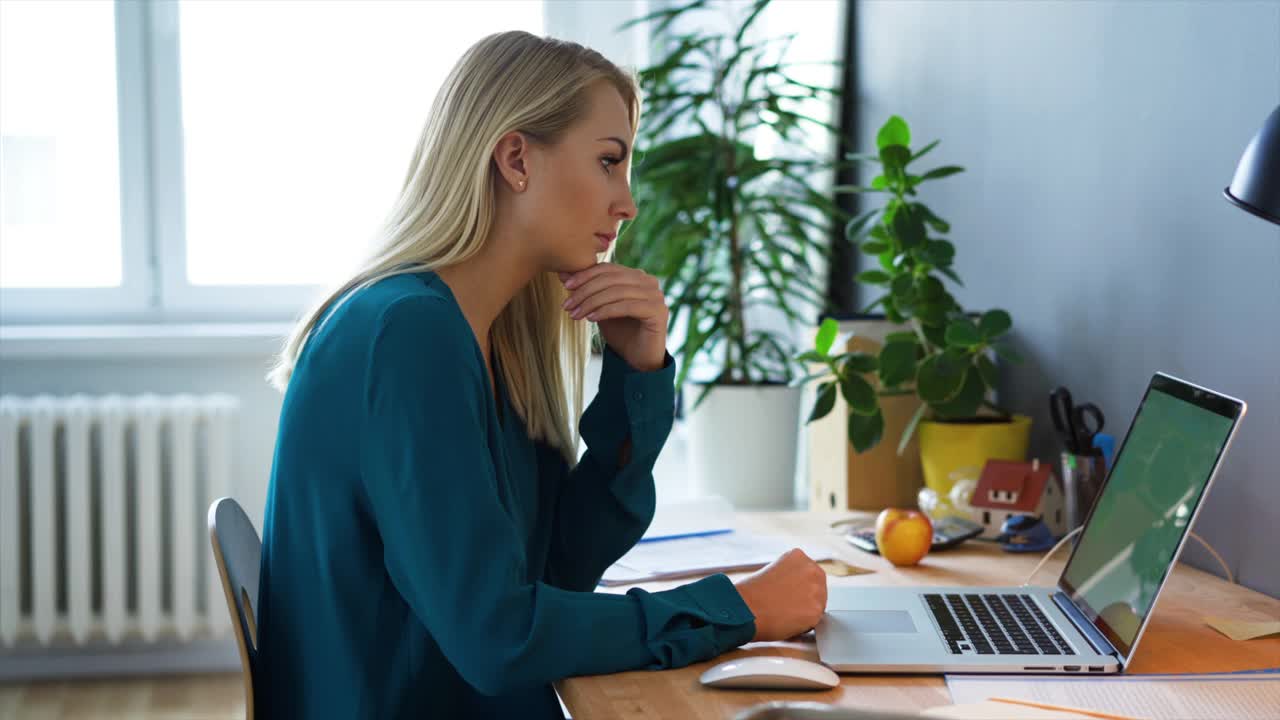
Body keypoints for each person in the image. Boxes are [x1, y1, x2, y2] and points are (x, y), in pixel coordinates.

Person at [256, 30, 828, 719]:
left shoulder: (485, 335)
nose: (628, 203)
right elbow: (498, 638)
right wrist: (737, 610)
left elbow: (561, 564)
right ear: (516, 158)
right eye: (609, 162)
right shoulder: (409, 334)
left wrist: (635, 373)